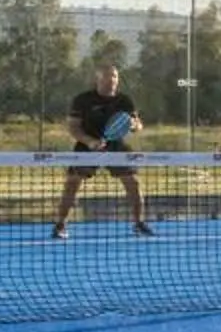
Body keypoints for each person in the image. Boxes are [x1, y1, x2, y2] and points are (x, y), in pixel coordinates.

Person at [51, 62, 154, 237]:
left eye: (114, 76)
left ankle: (139, 223)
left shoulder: (124, 101)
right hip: (87, 146)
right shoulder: (82, 100)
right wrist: (90, 141)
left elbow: (138, 124)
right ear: (97, 79)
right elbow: (73, 127)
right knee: (72, 184)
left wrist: (134, 125)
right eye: (107, 76)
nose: (111, 79)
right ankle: (60, 225)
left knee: (133, 183)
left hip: (116, 146)